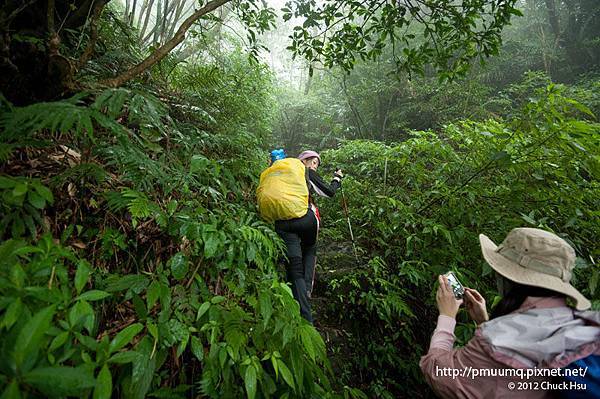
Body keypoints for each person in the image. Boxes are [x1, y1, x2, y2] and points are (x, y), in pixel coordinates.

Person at [420, 227, 600, 399]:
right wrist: (484, 322)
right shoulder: (580, 325)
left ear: (508, 280)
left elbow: (440, 374)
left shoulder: (496, 338)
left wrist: (447, 316)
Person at [273, 150, 343, 323]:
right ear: (307, 162)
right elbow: (328, 192)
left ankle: (298, 305)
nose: (315, 167)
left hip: (282, 222)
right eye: (315, 163)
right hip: (305, 220)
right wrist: (337, 179)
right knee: (310, 248)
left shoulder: (281, 174)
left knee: (294, 264)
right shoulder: (306, 172)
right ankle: (306, 290)